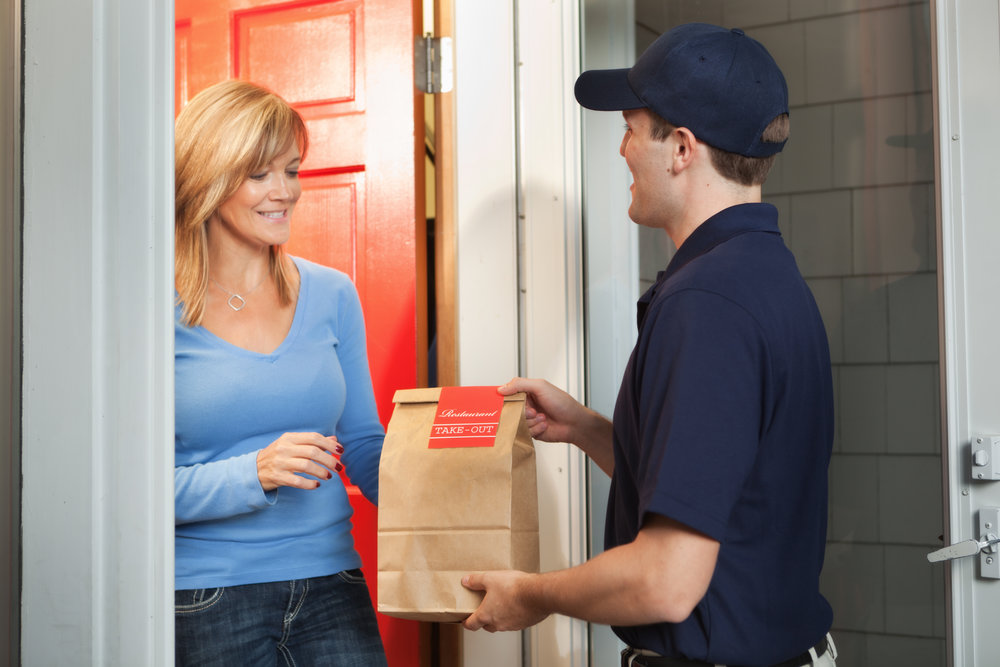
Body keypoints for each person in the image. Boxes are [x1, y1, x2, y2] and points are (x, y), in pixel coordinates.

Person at [461, 23, 838, 667]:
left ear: (682, 149)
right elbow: (716, 485)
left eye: (631, 128)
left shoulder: (707, 305)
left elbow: (666, 581)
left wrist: (534, 595)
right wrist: (585, 428)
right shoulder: (764, 275)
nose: (623, 150)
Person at [173, 80, 387, 666]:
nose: (285, 192)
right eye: (261, 175)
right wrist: (256, 471)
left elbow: (365, 447)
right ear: (208, 178)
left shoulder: (331, 293)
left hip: (332, 582)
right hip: (203, 596)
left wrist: (453, 482)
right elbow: (129, 491)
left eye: (292, 171)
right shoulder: (150, 312)